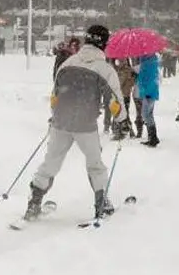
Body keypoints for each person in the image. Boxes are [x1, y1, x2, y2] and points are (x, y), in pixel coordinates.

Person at [21, 25, 129, 222]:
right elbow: (114, 102)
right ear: (103, 43)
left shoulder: (68, 63)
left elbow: (55, 95)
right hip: (85, 125)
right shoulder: (104, 69)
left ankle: (34, 203)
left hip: (61, 122)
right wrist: (122, 121)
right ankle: (101, 204)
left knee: (50, 163)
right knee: (95, 164)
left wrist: (55, 114)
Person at [137, 52, 161, 147]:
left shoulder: (148, 63)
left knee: (146, 114)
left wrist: (147, 92)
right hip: (150, 91)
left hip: (148, 92)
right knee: (149, 114)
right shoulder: (151, 61)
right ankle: (152, 137)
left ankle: (153, 138)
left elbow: (148, 79)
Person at [111, 59, 137, 140]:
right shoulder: (129, 70)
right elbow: (132, 82)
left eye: (121, 60)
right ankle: (128, 131)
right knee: (123, 113)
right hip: (125, 95)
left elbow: (119, 83)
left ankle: (120, 132)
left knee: (120, 113)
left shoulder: (124, 71)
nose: (119, 62)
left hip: (122, 95)